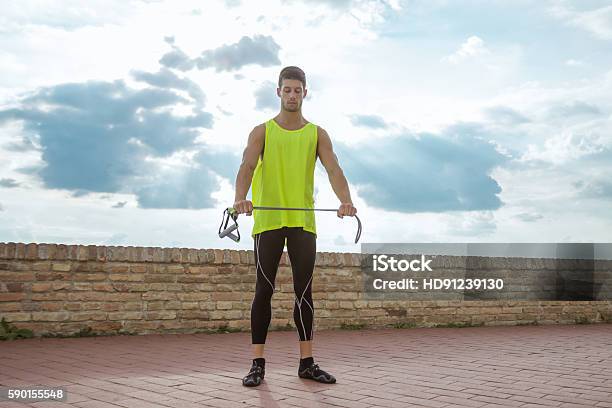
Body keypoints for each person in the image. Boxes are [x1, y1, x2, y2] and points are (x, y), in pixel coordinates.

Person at [233, 66, 357, 387]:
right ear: (278, 92)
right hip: (269, 221)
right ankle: (257, 363)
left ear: (305, 93)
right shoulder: (261, 131)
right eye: (286, 89)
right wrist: (240, 199)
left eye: (297, 90)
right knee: (265, 290)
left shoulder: (317, 133)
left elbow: (334, 170)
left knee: (304, 293)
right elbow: (247, 165)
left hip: (303, 222)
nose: (292, 95)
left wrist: (346, 201)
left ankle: (307, 363)